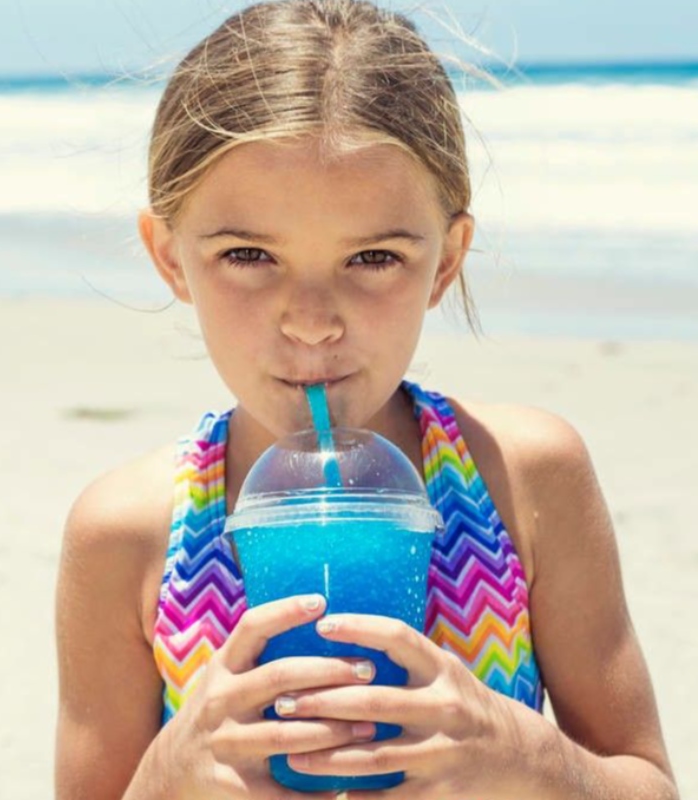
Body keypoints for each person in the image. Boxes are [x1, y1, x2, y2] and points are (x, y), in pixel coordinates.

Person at [54, 1, 678, 798]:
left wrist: (525, 755)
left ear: (446, 260)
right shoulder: (129, 534)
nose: (312, 323)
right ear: (170, 256)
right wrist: (171, 774)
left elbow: (647, 782)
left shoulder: (523, 479)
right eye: (248, 254)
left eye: (374, 257)